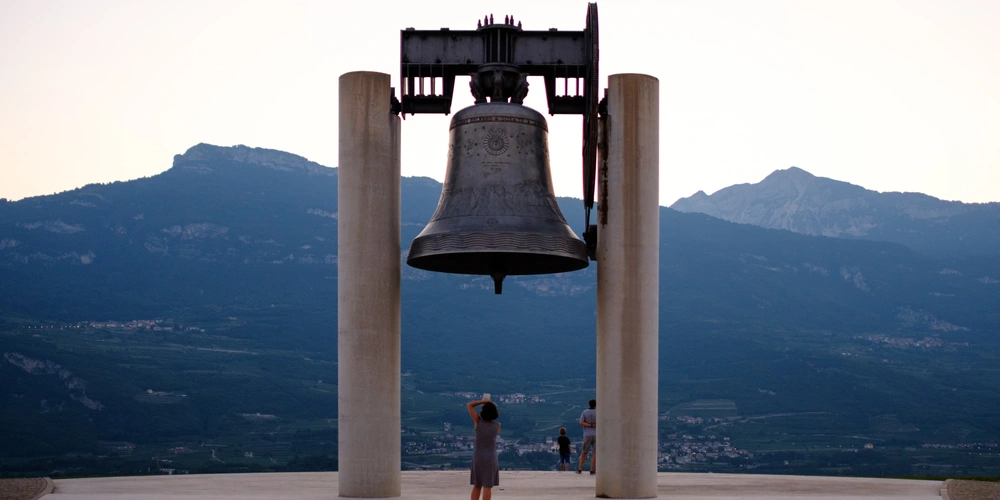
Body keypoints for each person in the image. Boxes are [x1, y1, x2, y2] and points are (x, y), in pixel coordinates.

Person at [467, 398, 500, 500]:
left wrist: (483, 401)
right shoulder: (498, 426)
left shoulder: (478, 423)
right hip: (491, 458)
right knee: (488, 486)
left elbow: (469, 405)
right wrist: (491, 404)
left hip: (478, 457)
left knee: (477, 485)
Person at [577, 398, 596, 475]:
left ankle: (580, 469)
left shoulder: (584, 412)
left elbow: (581, 422)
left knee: (584, 451)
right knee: (595, 453)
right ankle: (592, 470)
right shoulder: (599, 412)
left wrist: (590, 425)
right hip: (597, 434)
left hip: (587, 434)